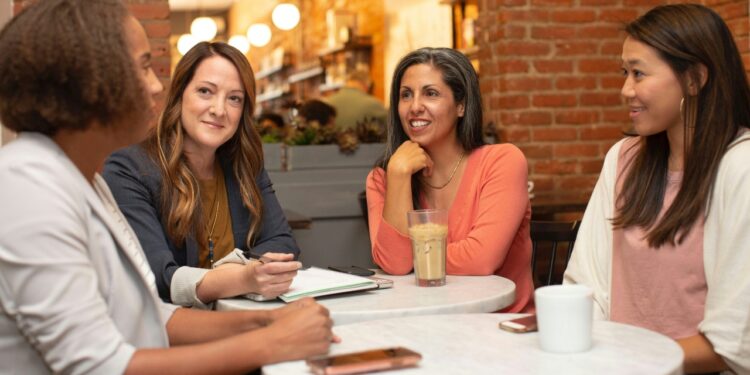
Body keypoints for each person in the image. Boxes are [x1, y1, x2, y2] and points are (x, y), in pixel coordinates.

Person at [0, 1, 334, 373]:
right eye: (144, 67)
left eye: (234, 99)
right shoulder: (26, 185)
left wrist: (264, 322)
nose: (157, 87)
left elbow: (150, 315)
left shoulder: (85, 180)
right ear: (89, 81)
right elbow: (97, 366)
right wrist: (270, 343)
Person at [563, 4, 750, 374]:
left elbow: (733, 343)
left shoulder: (739, 167)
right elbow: (586, 283)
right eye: (624, 72)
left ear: (695, 78)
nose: (625, 89)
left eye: (638, 74)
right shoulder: (624, 159)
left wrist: (630, 360)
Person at [103, 42, 301, 308]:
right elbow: (157, 276)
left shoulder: (245, 165)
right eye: (205, 91)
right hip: (171, 334)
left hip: (241, 322)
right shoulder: (129, 170)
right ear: (179, 95)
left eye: (234, 98)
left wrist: (242, 275)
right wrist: (243, 277)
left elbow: (283, 243)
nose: (219, 110)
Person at [366, 47, 534, 313]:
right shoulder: (383, 178)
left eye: (431, 93)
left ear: (461, 105)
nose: (415, 107)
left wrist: (414, 256)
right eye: (406, 95)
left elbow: (481, 260)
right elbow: (396, 265)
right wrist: (398, 175)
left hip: (501, 329)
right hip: (428, 327)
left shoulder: (502, 161)